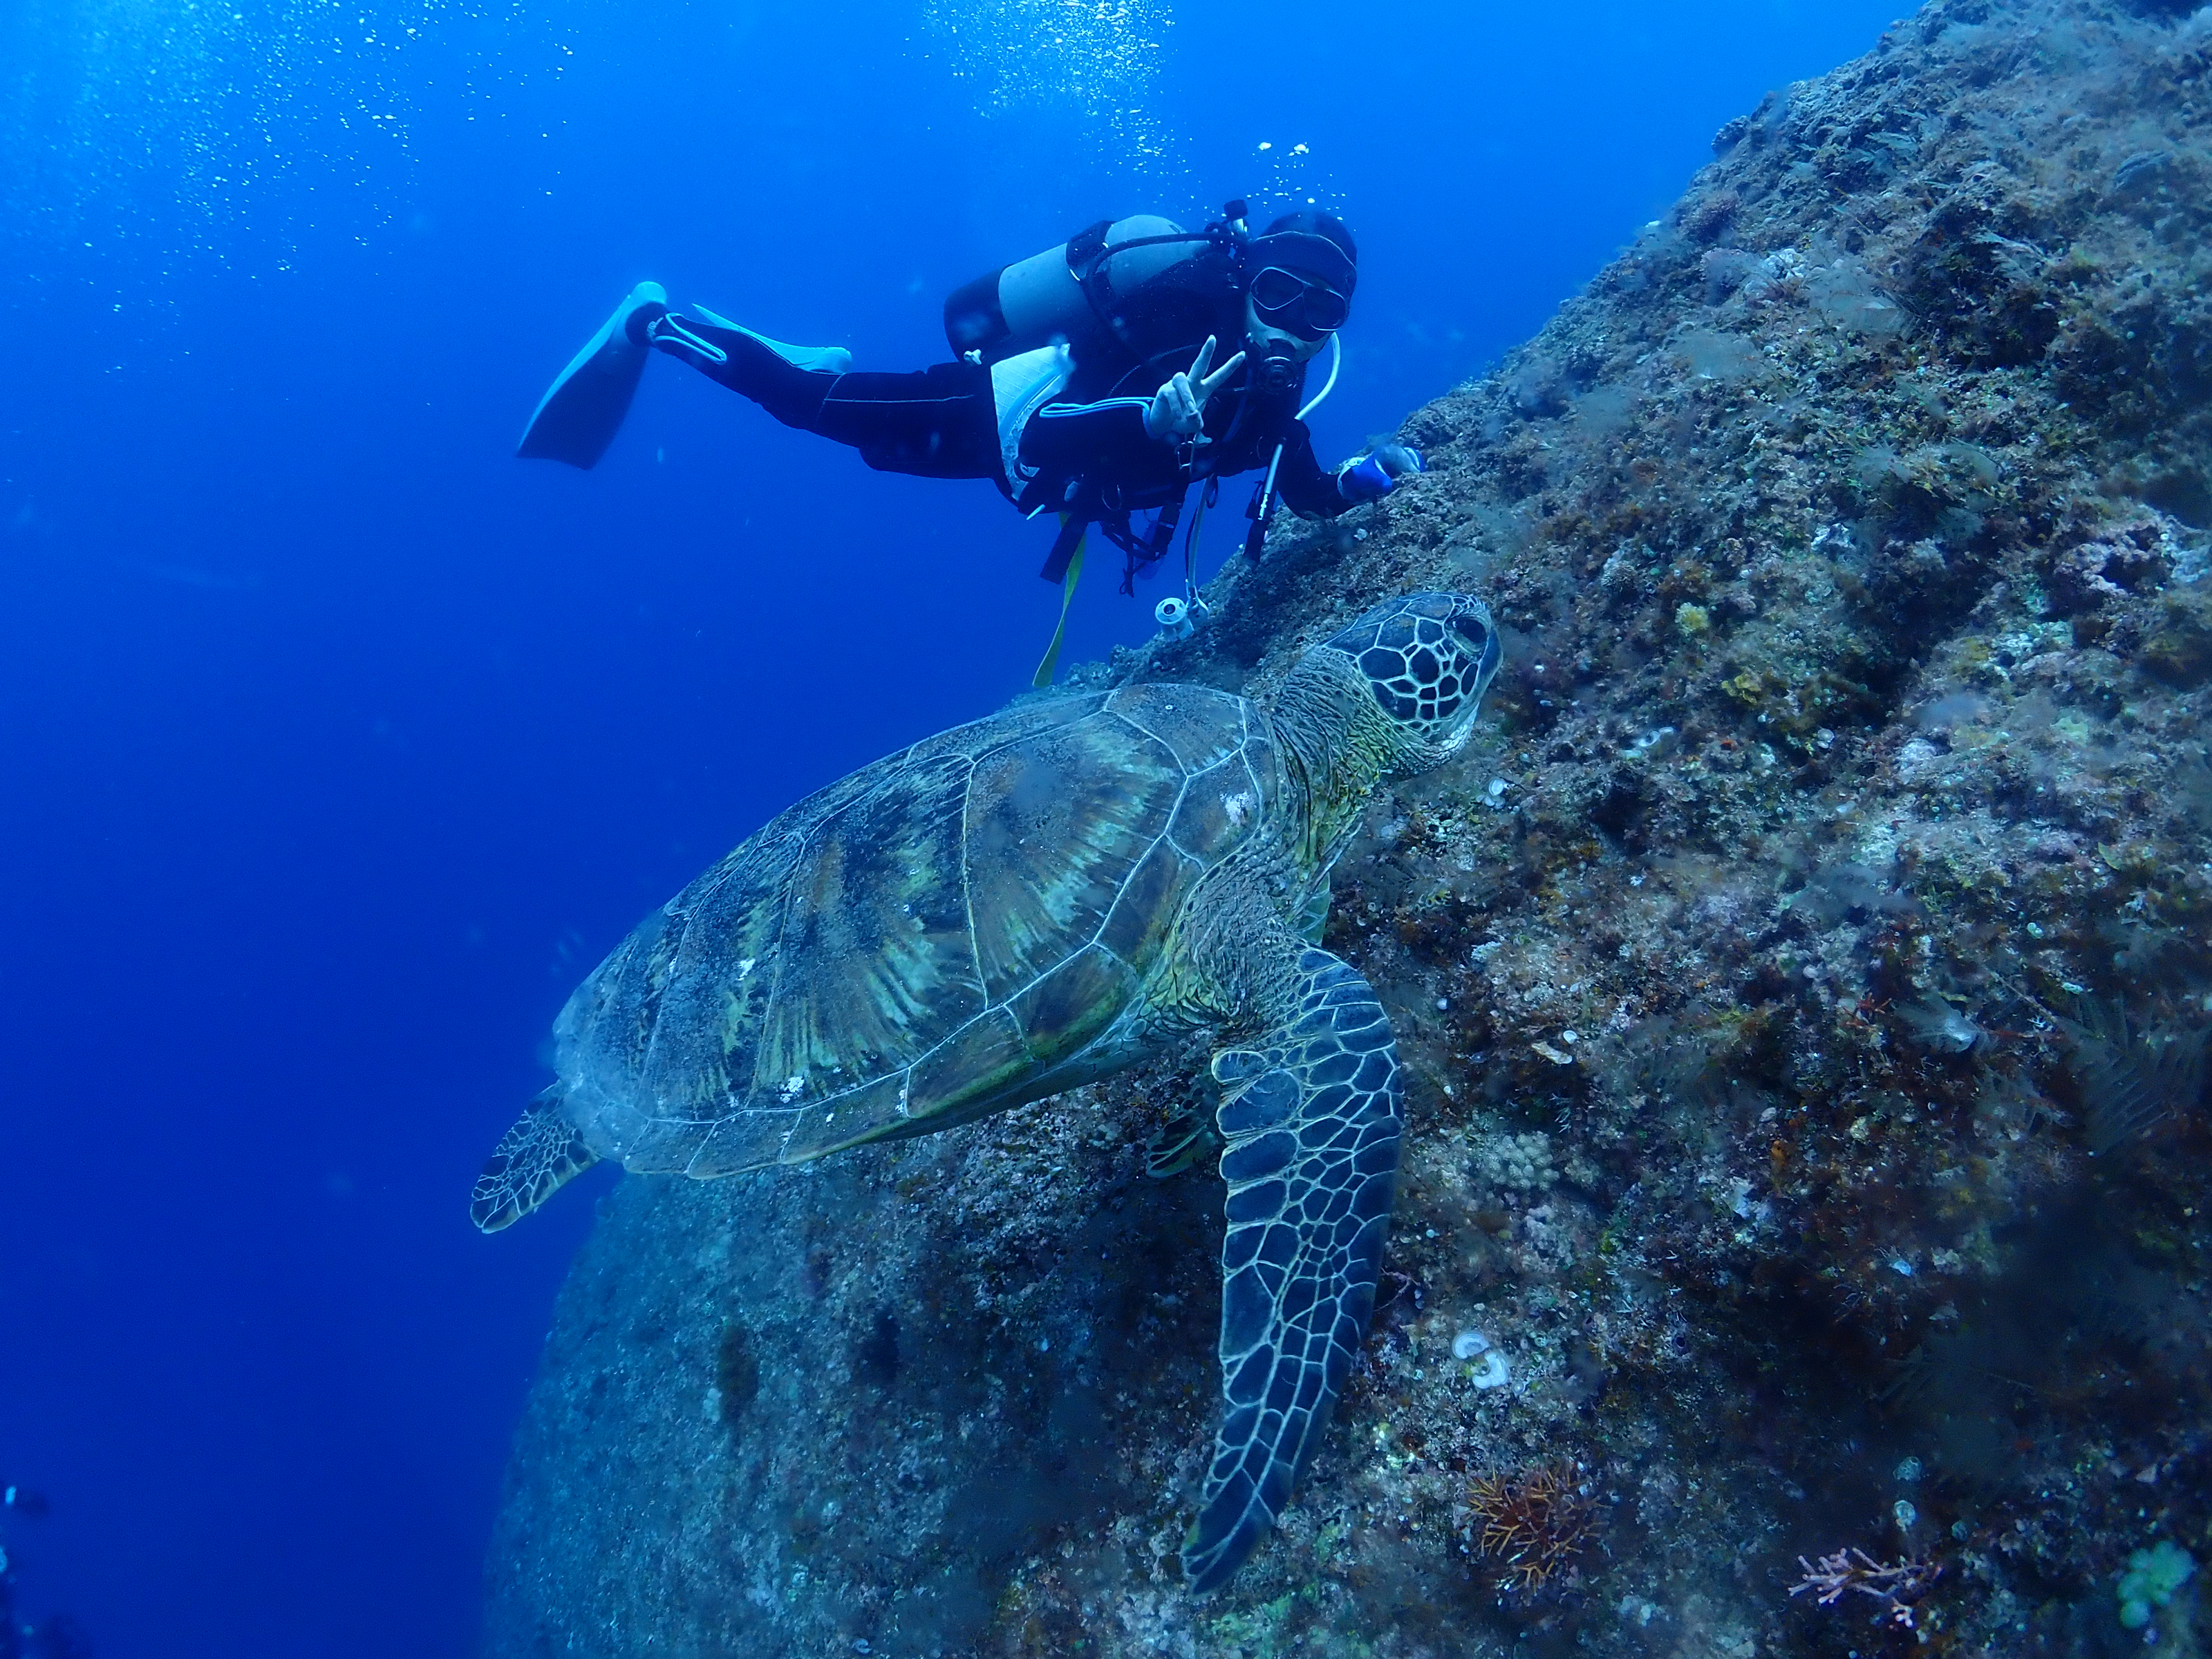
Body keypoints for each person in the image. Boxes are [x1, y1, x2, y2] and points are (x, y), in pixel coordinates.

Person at [517, 203, 1423, 627]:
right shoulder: (1176, 324)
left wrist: (1362, 482)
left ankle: (811, 362)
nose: (1292, 328)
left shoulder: (1276, 396)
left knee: (833, 405)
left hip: (1031, 474)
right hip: (993, 411)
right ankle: (652, 322)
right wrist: (1146, 422)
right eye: (1278, 294)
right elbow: (1047, 429)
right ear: (1248, 281)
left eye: (1321, 314)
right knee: (808, 408)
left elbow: (1300, 482)